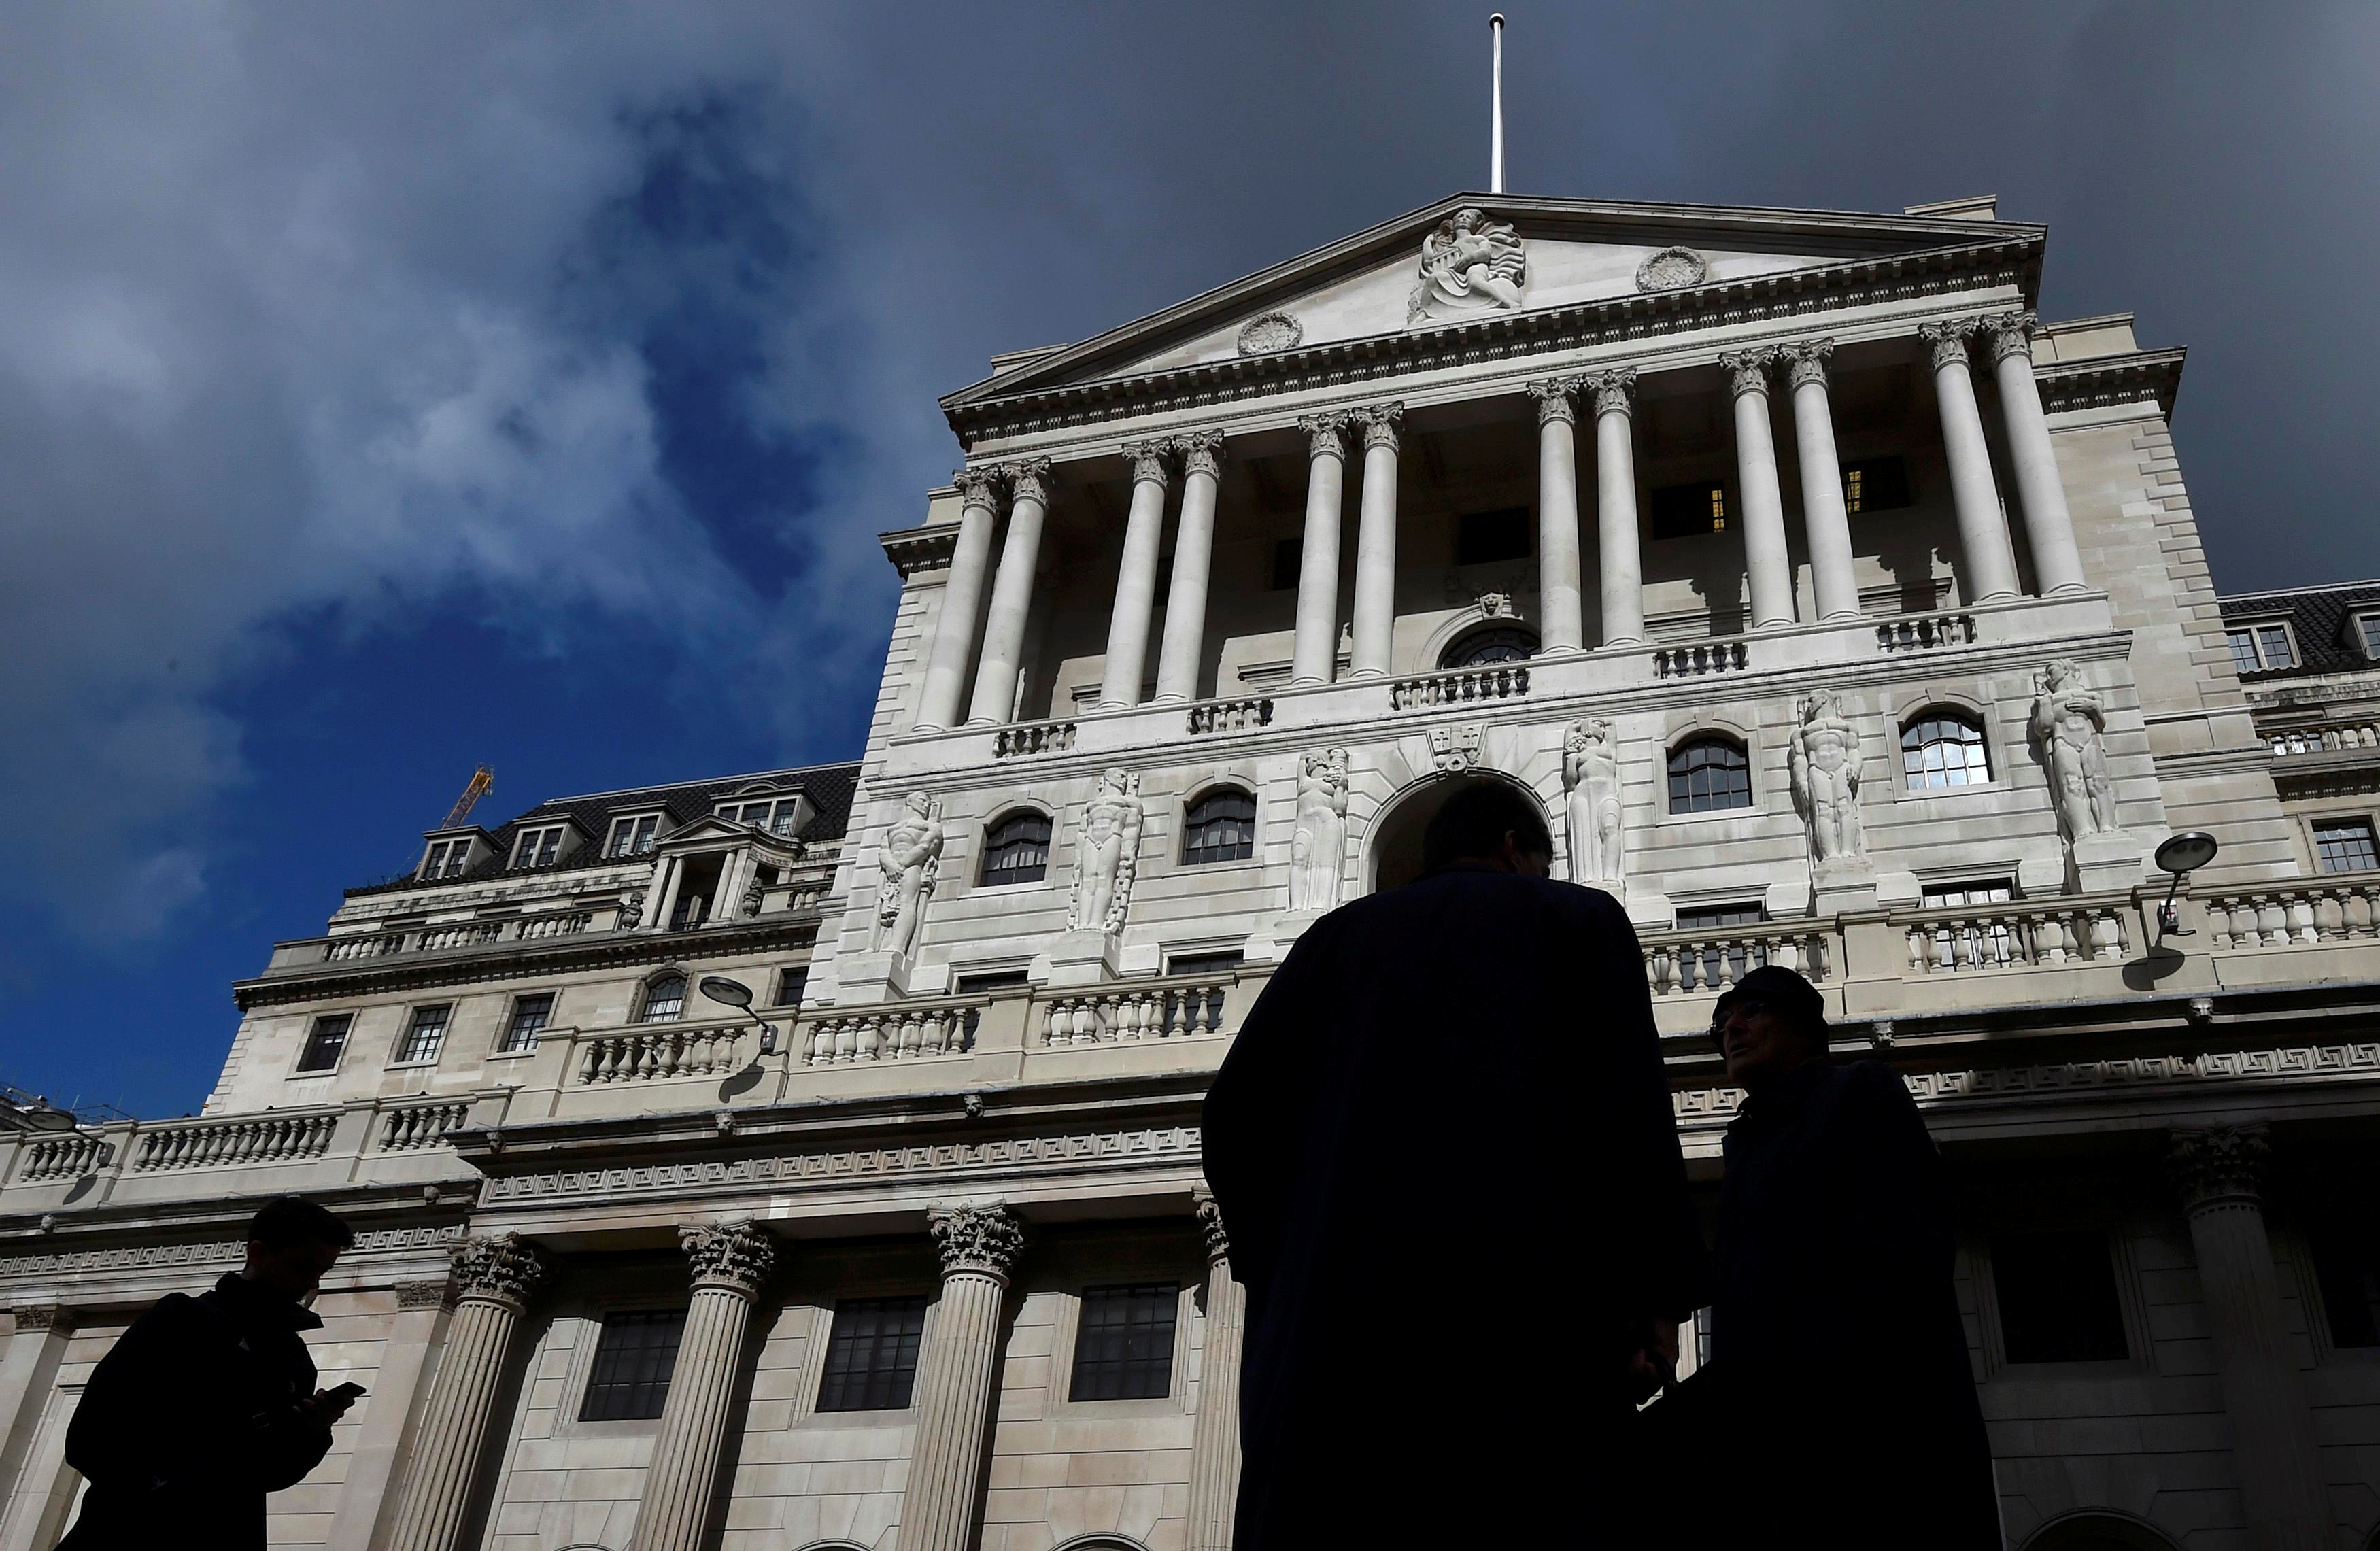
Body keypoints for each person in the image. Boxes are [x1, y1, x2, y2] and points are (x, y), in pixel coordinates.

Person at [1202, 781, 1707, 1548]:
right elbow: (1630, 1118)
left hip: (1339, 1360)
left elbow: (1232, 1119)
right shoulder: (1579, 921)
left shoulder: (1331, 942)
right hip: (1528, 1339)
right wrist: (1651, 1303)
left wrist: (1291, 1266)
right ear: (1514, 847)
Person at [1695, 965, 1998, 1548]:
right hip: (1779, 1444)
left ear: (1804, 1028)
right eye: (1720, 1021)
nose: (1730, 1027)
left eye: (1751, 1011)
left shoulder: (1861, 1090)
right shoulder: (1746, 1143)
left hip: (1870, 1428)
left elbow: (1902, 1253)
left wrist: (1807, 1375)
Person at [59, 1195, 358, 1551]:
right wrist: (163, 1490)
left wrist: (312, 1431)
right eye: (302, 1267)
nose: (312, 1284)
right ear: (258, 1253)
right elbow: (89, 1435)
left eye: (321, 1273)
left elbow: (272, 1474)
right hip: (130, 1533)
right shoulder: (183, 1319)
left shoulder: (292, 1356)